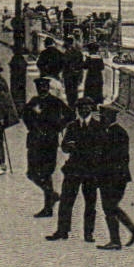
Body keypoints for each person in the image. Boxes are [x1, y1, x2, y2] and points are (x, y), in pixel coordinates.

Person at [47, 98, 102, 243]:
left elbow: (102, 148)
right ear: (77, 110)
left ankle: (88, 233)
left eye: (86, 107)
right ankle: (62, 230)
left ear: (91, 109)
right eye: (81, 108)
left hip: (90, 170)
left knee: (90, 203)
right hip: (73, 169)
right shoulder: (72, 126)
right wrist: (68, 146)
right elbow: (64, 146)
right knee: (66, 200)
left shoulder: (98, 127)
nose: (84, 110)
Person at [21, 76, 74, 218]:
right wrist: (31, 127)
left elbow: (70, 115)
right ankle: (52, 195)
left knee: (46, 173)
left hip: (49, 143)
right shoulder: (33, 101)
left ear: (48, 87)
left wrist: (58, 127)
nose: (42, 89)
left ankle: (47, 208)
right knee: (31, 173)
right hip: (34, 142)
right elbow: (25, 115)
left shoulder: (55, 102)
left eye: (44, 86)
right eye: (40, 87)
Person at [93, 104, 134, 250]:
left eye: (104, 117)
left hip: (115, 177)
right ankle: (132, 231)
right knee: (111, 207)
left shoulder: (119, 133)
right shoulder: (105, 131)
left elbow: (119, 157)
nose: (102, 120)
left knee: (109, 207)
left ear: (111, 117)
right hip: (107, 177)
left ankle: (116, 240)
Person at [61, 36, 86, 107]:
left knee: (70, 91)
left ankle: (71, 106)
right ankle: (73, 105)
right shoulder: (78, 53)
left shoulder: (66, 53)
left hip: (69, 75)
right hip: (74, 75)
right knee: (73, 91)